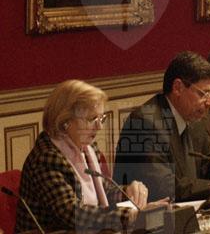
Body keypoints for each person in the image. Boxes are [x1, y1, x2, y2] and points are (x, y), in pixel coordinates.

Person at [16, 80, 164, 232]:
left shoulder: (87, 148)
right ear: (65, 121)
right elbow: (73, 214)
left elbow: (104, 190)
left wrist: (127, 192)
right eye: (92, 119)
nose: (99, 127)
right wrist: (130, 216)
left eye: (101, 118)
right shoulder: (46, 159)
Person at [114, 51, 210, 202]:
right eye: (203, 94)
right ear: (178, 88)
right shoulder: (144, 123)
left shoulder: (194, 118)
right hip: (150, 214)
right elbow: (164, 187)